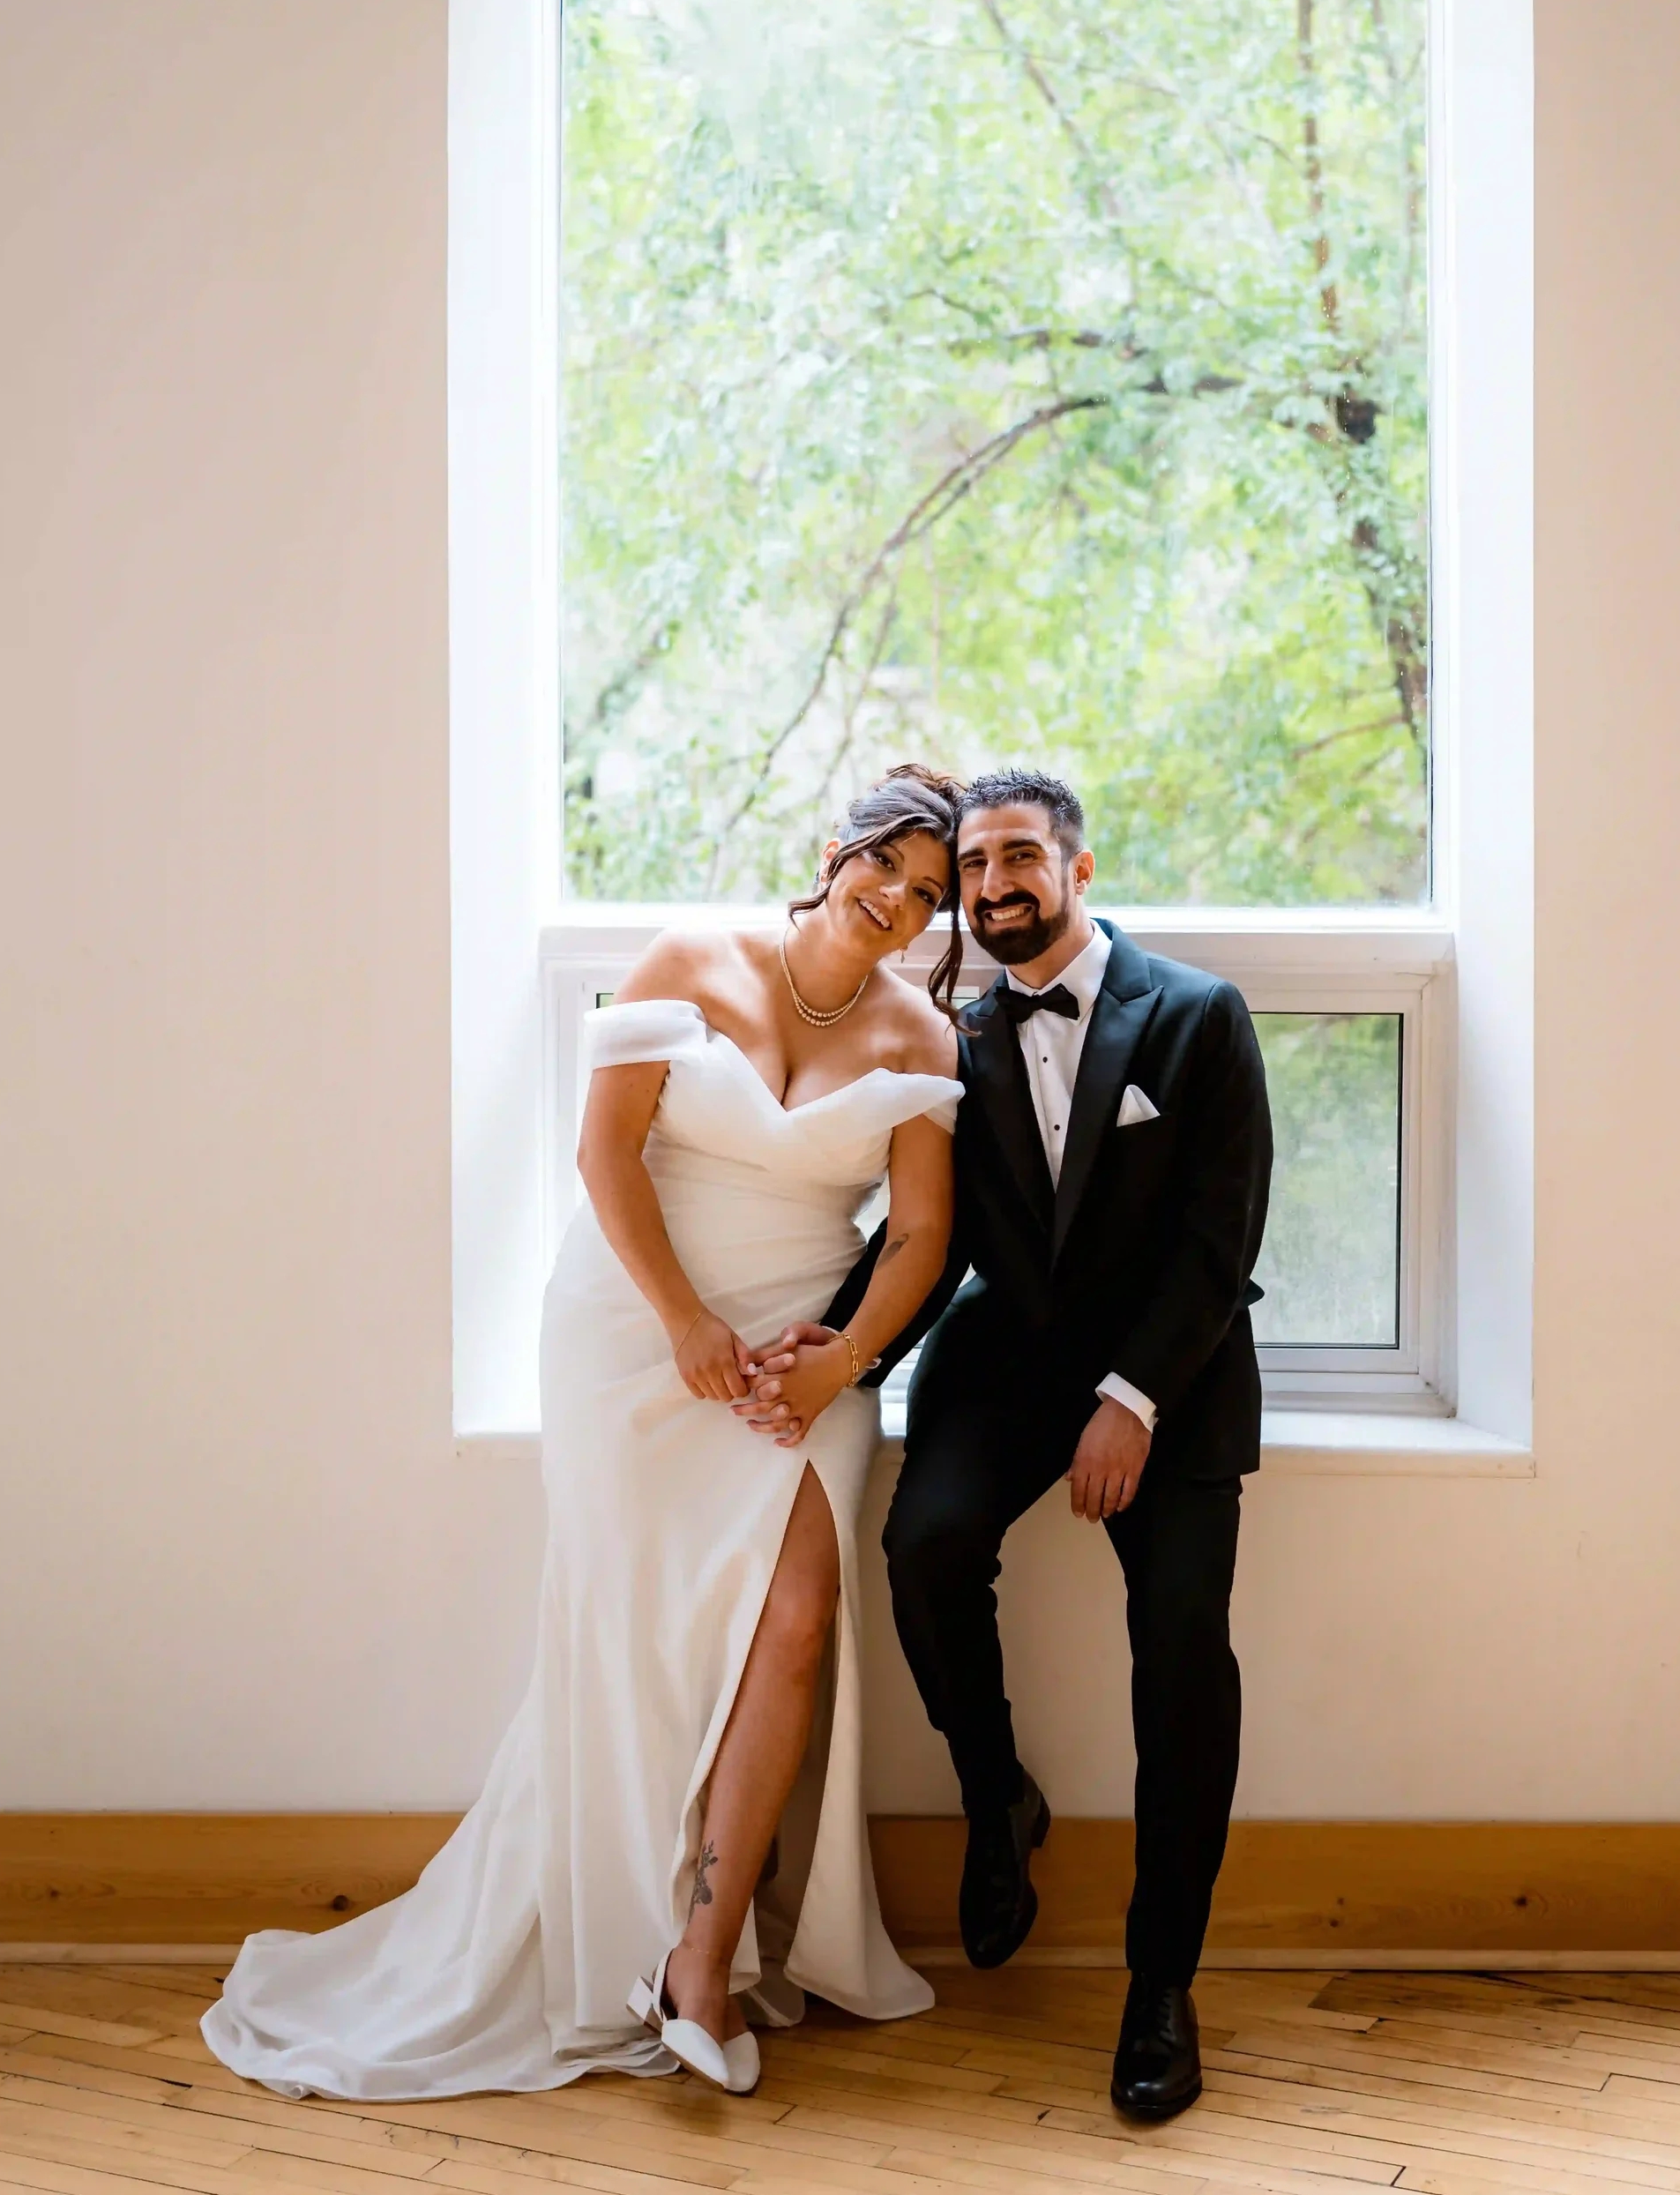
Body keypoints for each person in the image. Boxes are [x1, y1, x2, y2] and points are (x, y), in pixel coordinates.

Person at [201, 765, 965, 2102]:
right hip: (631, 1328)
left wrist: (842, 1360)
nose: (898, 902)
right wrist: (680, 1320)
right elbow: (605, 1155)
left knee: (795, 1619)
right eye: (884, 868)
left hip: (802, 1360)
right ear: (833, 849)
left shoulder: (921, 1038)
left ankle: (701, 1958)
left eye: (927, 893)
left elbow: (919, 1234)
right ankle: (613, 1921)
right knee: (627, 1633)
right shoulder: (688, 956)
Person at [765, 764, 1271, 2123]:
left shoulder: (1201, 1017)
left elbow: (1223, 1242)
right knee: (922, 1549)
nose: (991, 889)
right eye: (971, 871)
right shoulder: (962, 1043)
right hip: (1011, 1360)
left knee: (1179, 1660)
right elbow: (930, 1245)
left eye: (1014, 859)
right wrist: (829, 1347)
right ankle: (999, 1799)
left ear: (1078, 868)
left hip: (1175, 1372)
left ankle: (1162, 1985)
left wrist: (1134, 1401)